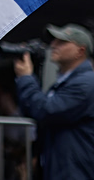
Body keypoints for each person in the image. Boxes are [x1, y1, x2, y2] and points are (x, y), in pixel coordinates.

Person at [14, 23, 94, 179]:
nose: (53, 45)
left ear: (81, 51)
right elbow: (34, 111)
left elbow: (46, 111)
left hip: (75, 172)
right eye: (54, 41)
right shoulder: (67, 81)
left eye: (62, 42)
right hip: (63, 168)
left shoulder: (86, 83)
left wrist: (25, 78)